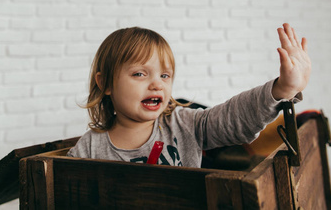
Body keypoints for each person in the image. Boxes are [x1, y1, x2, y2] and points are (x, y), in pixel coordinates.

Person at [67, 23, 311, 167]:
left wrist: (281, 89)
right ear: (106, 83)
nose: (157, 85)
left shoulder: (185, 125)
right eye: (140, 74)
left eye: (165, 76)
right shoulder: (88, 149)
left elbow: (233, 117)